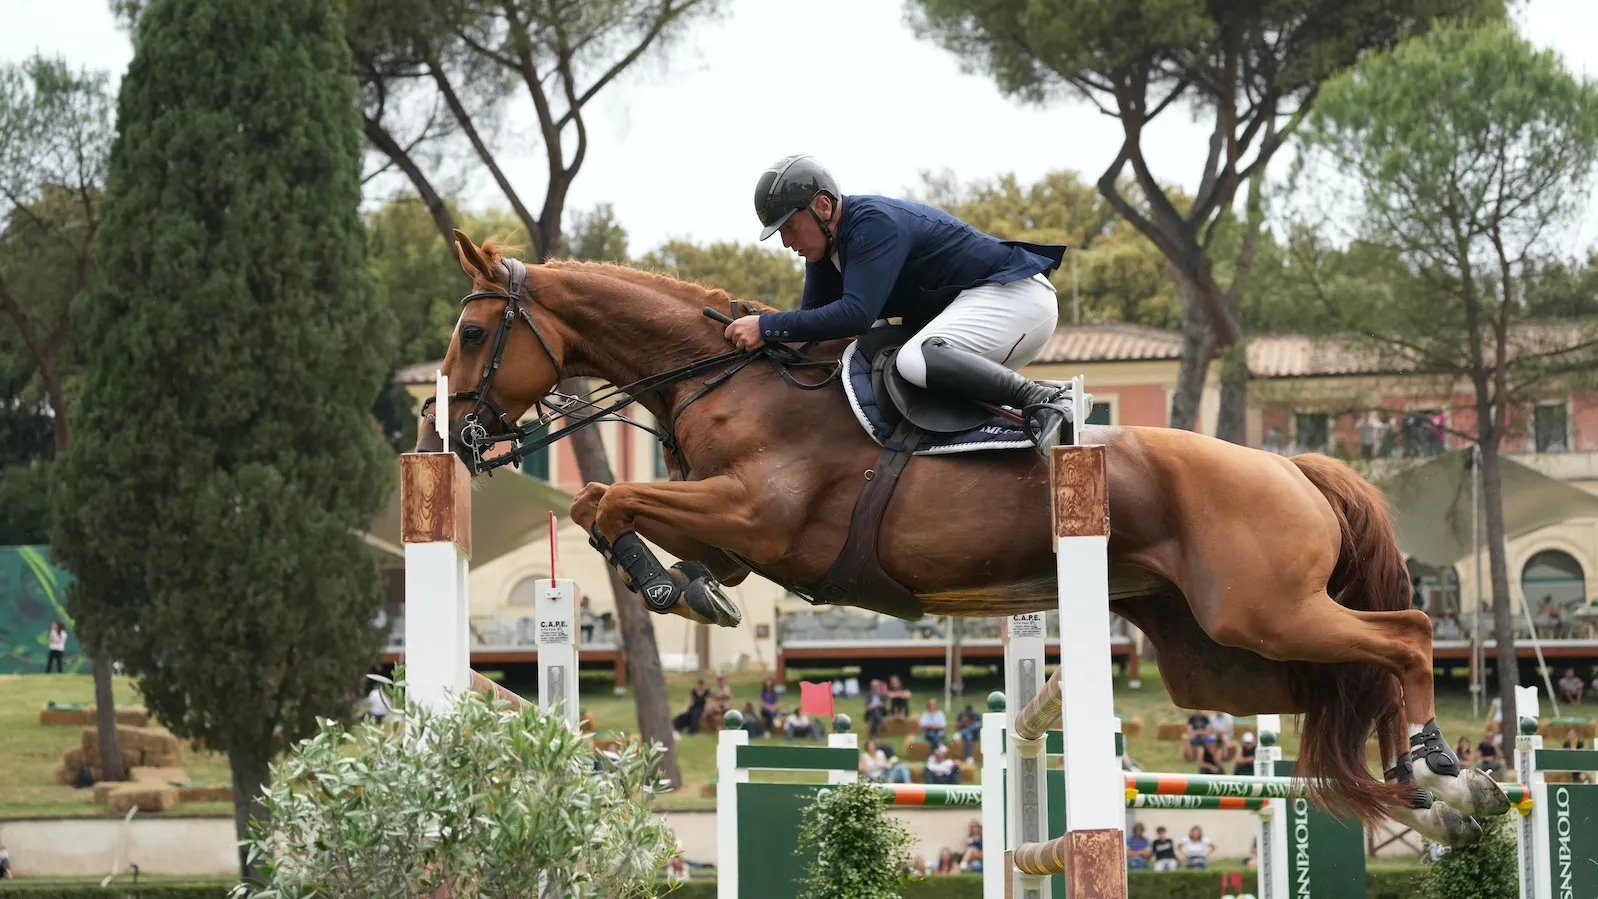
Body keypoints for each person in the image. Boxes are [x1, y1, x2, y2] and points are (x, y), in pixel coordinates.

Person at [732, 155, 1075, 458]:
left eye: (789, 226)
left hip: (1016, 297)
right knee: (900, 363)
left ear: (823, 207)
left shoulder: (871, 224)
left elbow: (856, 316)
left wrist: (764, 327)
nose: (786, 242)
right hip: (984, 303)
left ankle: (1045, 399)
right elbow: (811, 331)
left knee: (914, 358)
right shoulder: (825, 254)